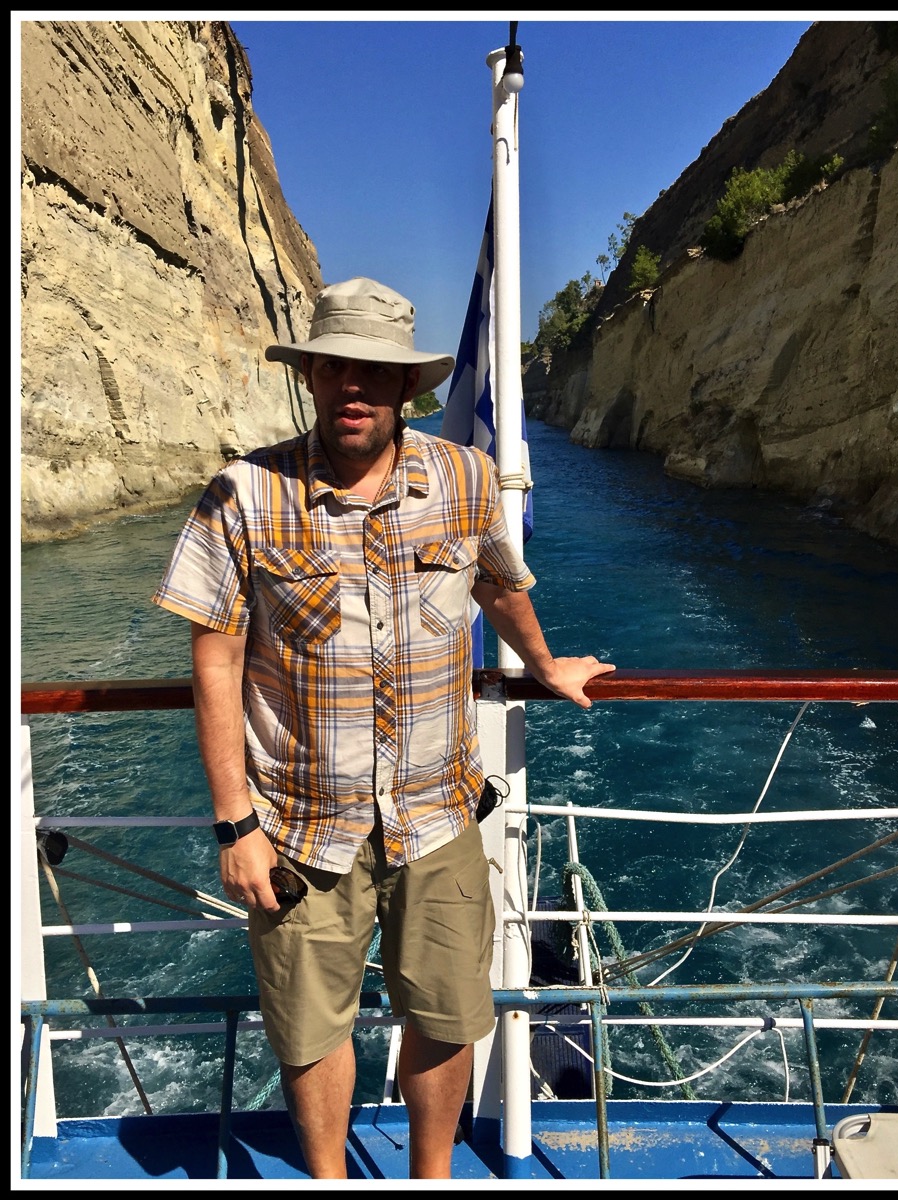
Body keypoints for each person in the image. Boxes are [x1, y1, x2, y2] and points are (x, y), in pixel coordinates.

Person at [152, 276, 616, 1179]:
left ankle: (429, 1176)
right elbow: (214, 658)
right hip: (295, 825)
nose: (352, 387)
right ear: (311, 376)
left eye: (375, 372)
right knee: (309, 1026)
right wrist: (234, 823)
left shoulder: (465, 478)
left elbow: (496, 581)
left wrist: (542, 662)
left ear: (409, 387)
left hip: (436, 814)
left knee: (443, 1016)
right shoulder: (244, 494)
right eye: (336, 368)